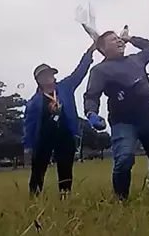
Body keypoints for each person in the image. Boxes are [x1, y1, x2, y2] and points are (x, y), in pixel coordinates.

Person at [83, 30, 149, 201]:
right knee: (124, 158)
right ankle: (121, 198)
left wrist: (130, 38)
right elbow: (91, 95)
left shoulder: (136, 59)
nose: (119, 41)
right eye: (114, 40)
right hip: (123, 121)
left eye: (119, 39)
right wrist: (91, 113)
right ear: (103, 48)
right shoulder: (99, 70)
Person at [23, 43, 95, 196]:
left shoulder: (65, 87)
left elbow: (79, 72)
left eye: (50, 73)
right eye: (43, 75)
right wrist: (28, 146)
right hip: (43, 138)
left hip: (65, 135)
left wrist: (89, 53)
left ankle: (65, 196)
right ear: (38, 80)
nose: (48, 77)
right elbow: (29, 126)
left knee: (65, 167)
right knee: (38, 169)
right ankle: (34, 197)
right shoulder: (34, 102)